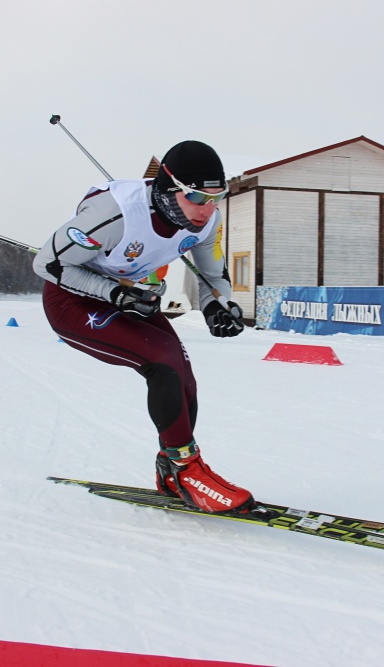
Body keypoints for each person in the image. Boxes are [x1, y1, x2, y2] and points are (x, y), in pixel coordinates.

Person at [33, 140, 251, 514]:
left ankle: (172, 467)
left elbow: (214, 275)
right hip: (72, 299)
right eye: (197, 197)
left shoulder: (205, 221)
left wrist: (219, 304)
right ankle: (186, 470)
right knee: (163, 361)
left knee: (183, 376)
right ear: (170, 188)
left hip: (132, 297)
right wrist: (113, 294)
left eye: (217, 197)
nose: (207, 209)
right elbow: (48, 265)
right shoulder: (114, 215)